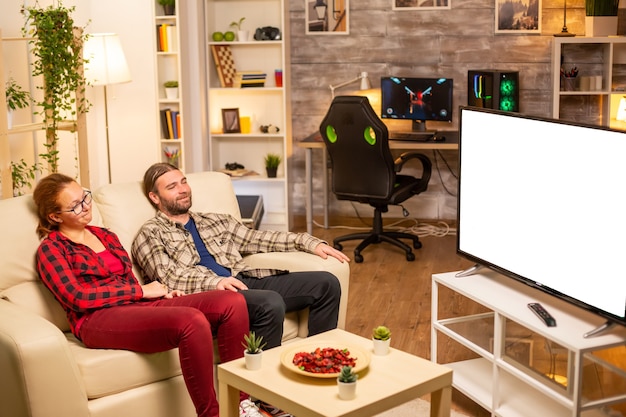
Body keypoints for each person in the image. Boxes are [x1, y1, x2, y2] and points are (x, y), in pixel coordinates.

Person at [33, 173, 250, 417]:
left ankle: (240, 407)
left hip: (137, 305)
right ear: (54, 216)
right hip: (95, 319)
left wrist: (160, 297)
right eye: (75, 206)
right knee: (192, 320)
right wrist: (141, 291)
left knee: (231, 302)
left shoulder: (105, 235)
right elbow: (77, 297)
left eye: (85, 197)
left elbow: (127, 279)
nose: (85, 207)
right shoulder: (52, 249)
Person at [131, 163, 350, 351]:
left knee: (326, 283)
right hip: (208, 297)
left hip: (243, 280)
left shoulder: (215, 221)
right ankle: (262, 393)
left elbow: (259, 238)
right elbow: (168, 278)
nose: (183, 190)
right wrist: (215, 282)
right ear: (154, 197)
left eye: (183, 181)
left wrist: (307, 242)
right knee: (269, 303)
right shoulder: (149, 234)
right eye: (172, 187)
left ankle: (319, 360)